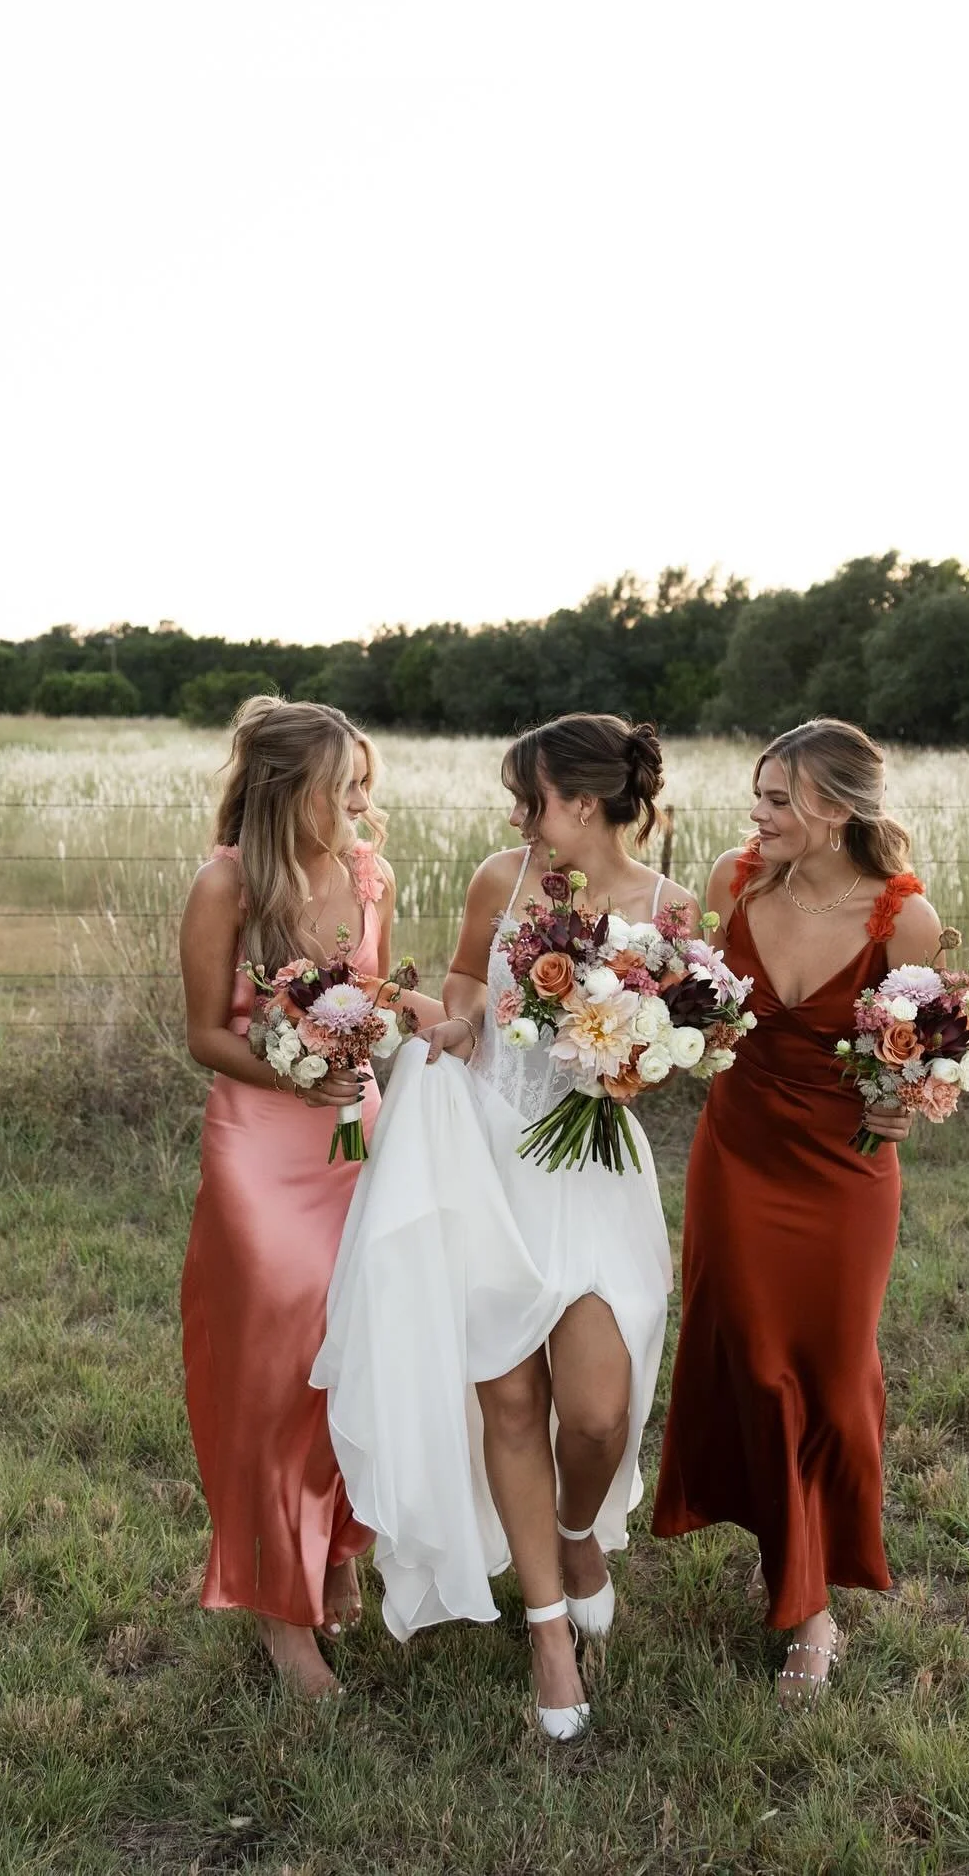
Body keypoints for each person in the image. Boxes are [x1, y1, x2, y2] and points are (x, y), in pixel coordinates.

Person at [314, 714, 696, 1741]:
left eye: (532, 798)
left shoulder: (669, 910)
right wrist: (457, 1020)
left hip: (592, 1169)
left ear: (585, 802)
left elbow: (673, 1047)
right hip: (486, 1158)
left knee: (599, 1412)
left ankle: (577, 1531)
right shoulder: (501, 876)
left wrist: (631, 1056)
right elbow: (466, 984)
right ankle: (545, 1629)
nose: (519, 816)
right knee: (513, 1400)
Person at [652, 717, 943, 1705]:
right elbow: (691, 1008)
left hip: (843, 1173)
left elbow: (931, 1054)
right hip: (737, 1156)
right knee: (752, 1358)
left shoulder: (904, 918)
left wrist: (904, 1101)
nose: (758, 813)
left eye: (779, 799)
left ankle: (813, 1589)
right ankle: (798, 1584)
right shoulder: (735, 883)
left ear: (838, 808)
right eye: (759, 794)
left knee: (829, 1368)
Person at [178, 695, 434, 1698]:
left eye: (366, 783)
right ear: (291, 791)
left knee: (355, 1348)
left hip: (353, 1135)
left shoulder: (372, 874)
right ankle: (280, 1615)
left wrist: (434, 1017)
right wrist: (294, 1072)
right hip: (259, 1144)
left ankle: (334, 1546)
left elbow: (373, 997)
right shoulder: (226, 885)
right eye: (346, 787)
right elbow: (206, 1033)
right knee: (278, 1361)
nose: (364, 804)